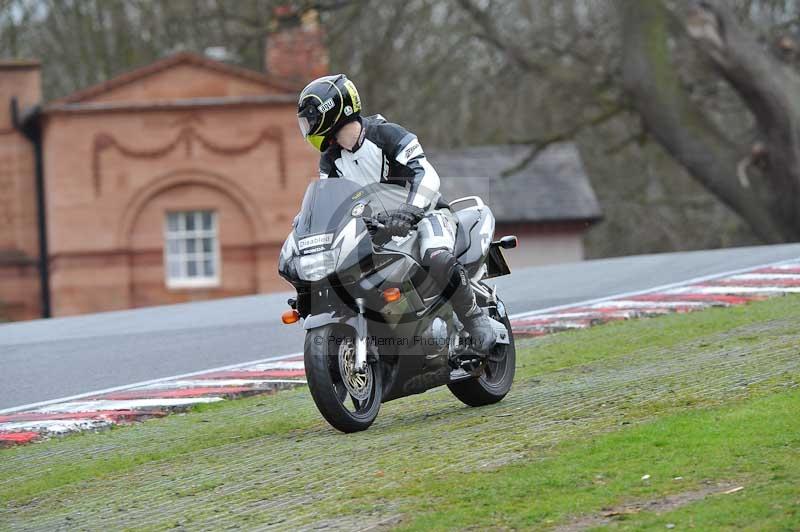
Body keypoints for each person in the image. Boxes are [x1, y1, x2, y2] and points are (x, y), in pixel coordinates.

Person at [296, 74, 495, 351]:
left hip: (427, 216)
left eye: (311, 117)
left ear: (333, 111)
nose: (308, 126)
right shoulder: (330, 160)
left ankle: (474, 318)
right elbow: (330, 202)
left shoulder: (387, 134)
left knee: (435, 256)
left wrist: (410, 212)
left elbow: (426, 175)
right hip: (377, 230)